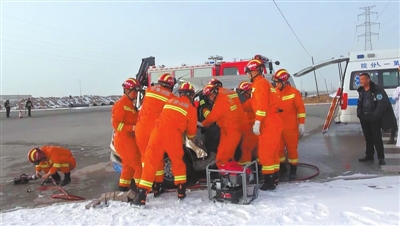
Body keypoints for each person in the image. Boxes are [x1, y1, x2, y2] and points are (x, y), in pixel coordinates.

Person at [133, 82, 197, 207]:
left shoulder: (170, 102)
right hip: (173, 136)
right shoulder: (191, 109)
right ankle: (181, 191)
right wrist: (189, 137)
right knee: (177, 161)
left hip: (157, 132)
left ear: (180, 93)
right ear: (191, 96)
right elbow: (191, 131)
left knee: (150, 162)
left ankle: (141, 196)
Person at [135, 73, 176, 197]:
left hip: (141, 129)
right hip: (155, 130)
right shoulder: (171, 97)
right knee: (154, 159)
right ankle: (146, 191)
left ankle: (154, 186)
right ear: (170, 86)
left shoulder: (150, 90)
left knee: (145, 158)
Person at [246, 58, 283, 191]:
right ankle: (274, 178)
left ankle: (269, 181)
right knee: (273, 152)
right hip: (274, 121)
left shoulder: (260, 84)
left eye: (249, 72)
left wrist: (258, 121)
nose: (248, 75)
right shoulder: (264, 83)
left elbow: (262, 104)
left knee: (265, 152)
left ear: (255, 71)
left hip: (268, 121)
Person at [272, 69, 306, 179]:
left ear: (284, 81)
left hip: (290, 128)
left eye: (277, 82)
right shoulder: (275, 92)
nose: (276, 84)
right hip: (278, 127)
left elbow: (301, 109)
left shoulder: (294, 93)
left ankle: (293, 170)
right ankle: (282, 168)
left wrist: (301, 124)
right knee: (279, 149)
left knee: (292, 150)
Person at [197, 84, 241, 169]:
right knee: (226, 157)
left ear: (212, 94)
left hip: (231, 133)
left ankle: (228, 177)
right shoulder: (224, 99)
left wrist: (200, 123)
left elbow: (211, 118)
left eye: (208, 97)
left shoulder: (221, 102)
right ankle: (231, 176)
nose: (209, 100)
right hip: (228, 132)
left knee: (221, 159)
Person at [356, 72, 396, 165]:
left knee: (377, 137)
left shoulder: (377, 90)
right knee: (368, 137)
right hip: (364, 117)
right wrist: (359, 114)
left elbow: (382, 103)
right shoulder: (361, 91)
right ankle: (369, 155)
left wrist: (375, 115)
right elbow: (359, 103)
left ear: (368, 80)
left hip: (374, 118)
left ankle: (381, 157)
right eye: (360, 80)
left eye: (362, 80)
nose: (360, 82)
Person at [111, 78, 142, 191]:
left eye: (137, 91)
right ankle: (141, 190)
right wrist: (132, 128)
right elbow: (116, 125)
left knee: (128, 166)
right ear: (126, 90)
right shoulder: (121, 105)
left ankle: (123, 188)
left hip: (129, 139)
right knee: (138, 165)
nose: (136, 94)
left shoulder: (130, 105)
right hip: (124, 140)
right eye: (134, 91)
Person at [236, 81, 258, 165]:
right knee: (256, 149)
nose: (243, 96)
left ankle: (246, 166)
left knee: (246, 148)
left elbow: (241, 108)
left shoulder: (251, 101)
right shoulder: (253, 100)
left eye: (244, 93)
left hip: (251, 128)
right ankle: (259, 169)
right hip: (251, 127)